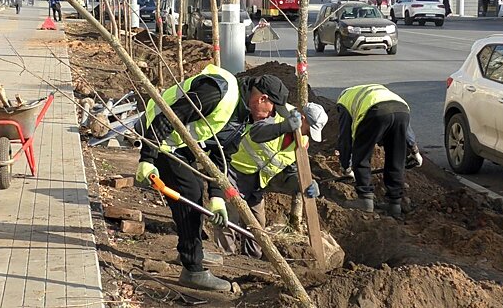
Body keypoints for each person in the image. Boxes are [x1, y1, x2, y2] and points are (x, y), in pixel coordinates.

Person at [134, 64, 290, 291]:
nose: (272, 116)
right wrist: (147, 157)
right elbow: (171, 115)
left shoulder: (243, 117)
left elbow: (221, 154)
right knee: (190, 192)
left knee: (196, 188)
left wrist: (217, 197)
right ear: (262, 98)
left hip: (183, 144)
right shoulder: (218, 93)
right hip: (159, 137)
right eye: (272, 110)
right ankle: (192, 269)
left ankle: (192, 248)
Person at [214, 102, 328, 259]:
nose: (307, 134)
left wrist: (304, 184)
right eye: (308, 129)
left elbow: (291, 173)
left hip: (257, 184)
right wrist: (284, 126)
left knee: (257, 227)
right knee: (229, 219)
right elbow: (256, 132)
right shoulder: (275, 115)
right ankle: (224, 260)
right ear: (302, 118)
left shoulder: (302, 142)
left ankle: (251, 263)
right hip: (233, 170)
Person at [336, 84, 422, 217]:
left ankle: (365, 199)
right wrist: (415, 150)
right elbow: (407, 129)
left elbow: (345, 139)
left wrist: (346, 167)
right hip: (402, 110)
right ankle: (394, 204)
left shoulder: (343, 103)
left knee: (362, 155)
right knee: (396, 157)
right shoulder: (373, 92)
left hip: (375, 112)